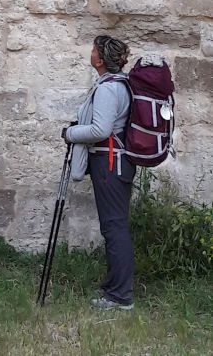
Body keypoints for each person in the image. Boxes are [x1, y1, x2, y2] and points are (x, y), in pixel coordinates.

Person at [64, 35, 135, 310]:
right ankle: (115, 287)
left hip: (109, 164)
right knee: (114, 226)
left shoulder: (108, 89)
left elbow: (100, 130)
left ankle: (120, 296)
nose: (90, 52)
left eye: (94, 49)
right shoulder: (120, 84)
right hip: (114, 162)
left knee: (114, 228)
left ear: (102, 59)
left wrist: (69, 133)